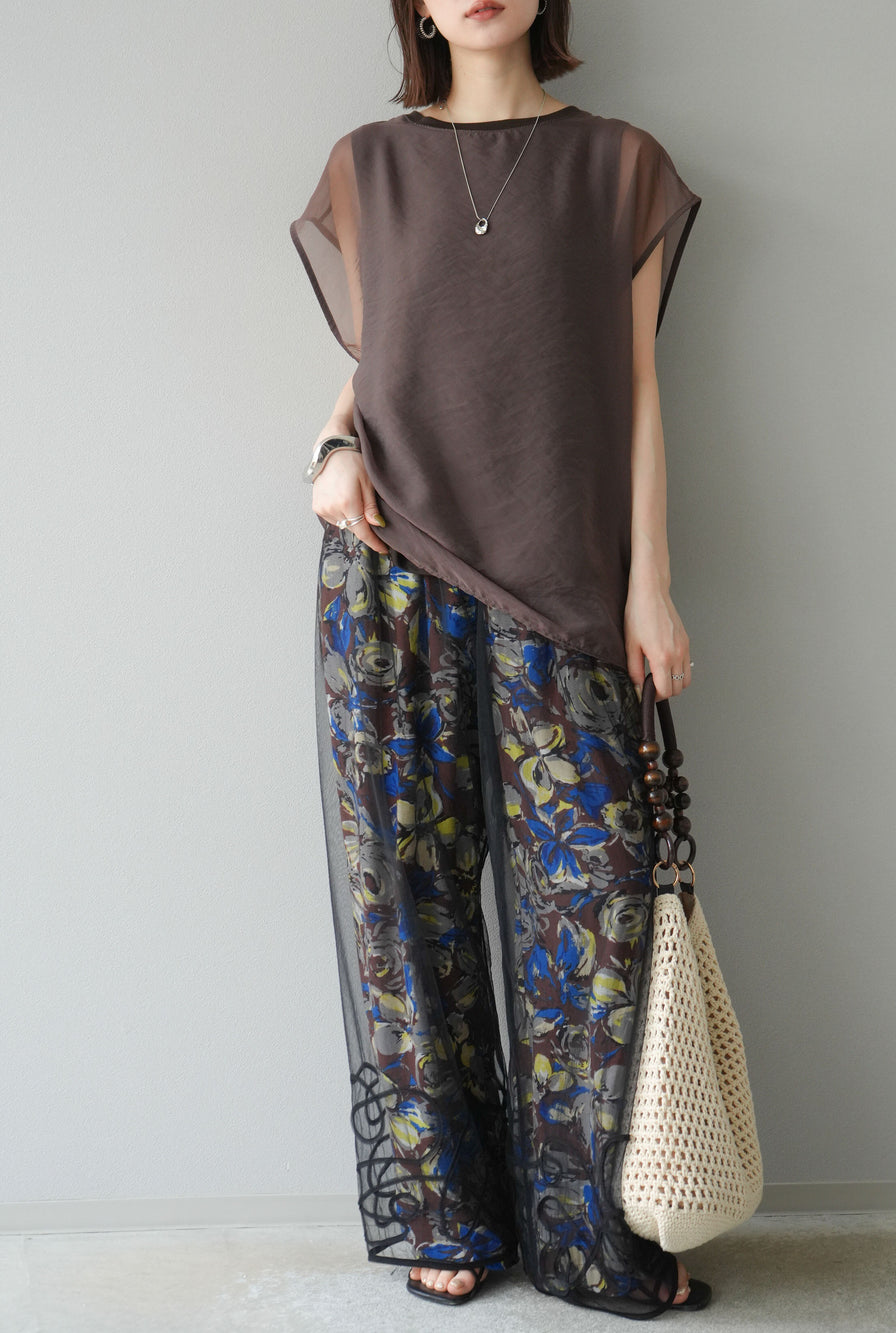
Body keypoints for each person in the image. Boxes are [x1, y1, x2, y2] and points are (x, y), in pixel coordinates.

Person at [289, 0, 707, 1316]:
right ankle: (450, 1213)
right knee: (407, 903)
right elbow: (386, 362)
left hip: (565, 579)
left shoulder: (620, 164)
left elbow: (638, 385)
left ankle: (595, 1229)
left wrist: (651, 581)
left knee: (588, 908)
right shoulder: (366, 165)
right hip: (391, 562)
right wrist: (331, 448)